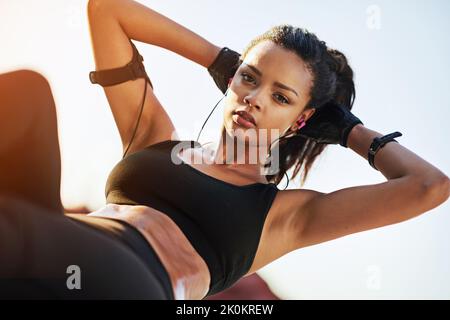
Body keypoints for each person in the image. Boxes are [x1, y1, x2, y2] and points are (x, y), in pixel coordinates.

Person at [0, 0, 449, 300]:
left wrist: (349, 130)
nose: (254, 98)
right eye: (249, 78)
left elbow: (430, 187)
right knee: (27, 95)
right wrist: (219, 58)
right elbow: (107, 10)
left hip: (134, 279)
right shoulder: (154, 137)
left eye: (282, 97)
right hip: (64, 243)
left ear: (302, 120)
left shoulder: (283, 215)